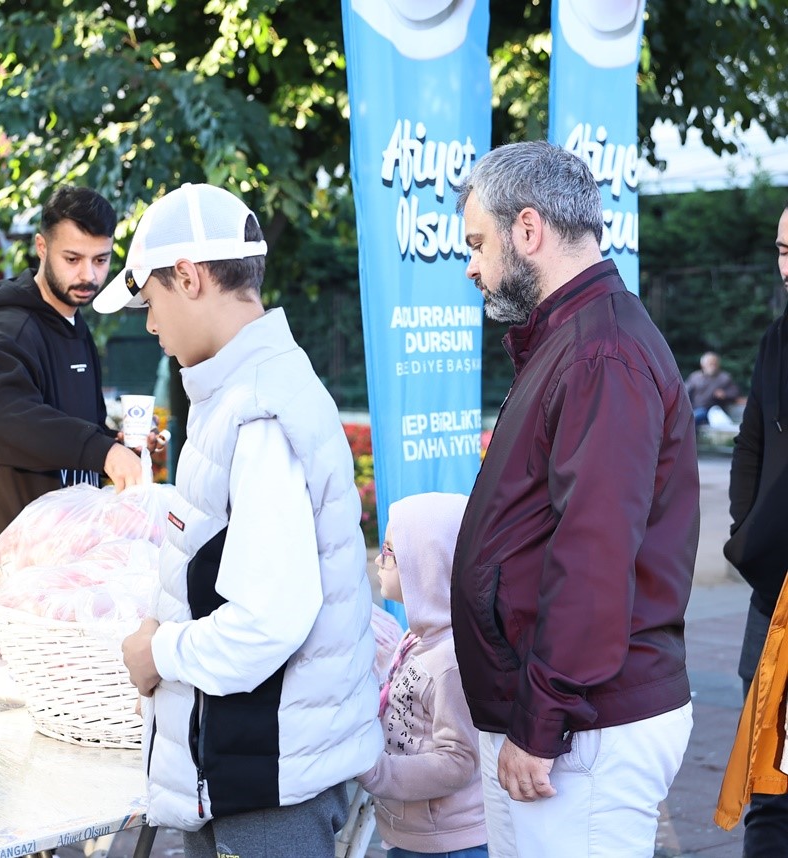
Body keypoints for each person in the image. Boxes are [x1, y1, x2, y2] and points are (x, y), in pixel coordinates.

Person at [102, 183, 382, 857]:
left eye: (150, 298)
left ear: (190, 278)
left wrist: (156, 651)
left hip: (268, 789)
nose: (149, 323)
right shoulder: (244, 392)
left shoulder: (255, 409)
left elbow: (269, 618)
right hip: (253, 773)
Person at [449, 141, 698, 856]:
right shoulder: (577, 341)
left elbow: (594, 553)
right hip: (569, 720)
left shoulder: (599, 351)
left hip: (584, 727)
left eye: (478, 243)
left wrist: (542, 722)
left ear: (528, 230)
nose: (472, 264)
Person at [0, 185, 147, 566]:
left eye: (101, 260)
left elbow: (74, 425)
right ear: (42, 247)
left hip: (65, 544)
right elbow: (13, 421)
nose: (88, 274)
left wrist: (116, 443)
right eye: (73, 258)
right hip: (9, 552)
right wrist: (102, 450)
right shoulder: (7, 327)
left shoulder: (75, 323)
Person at [358, 493, 487, 858]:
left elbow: (459, 760)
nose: (379, 562)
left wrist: (378, 773)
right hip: (414, 836)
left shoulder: (452, 660)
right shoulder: (418, 638)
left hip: (449, 845)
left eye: (390, 552)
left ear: (429, 562)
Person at [716, 201, 788, 854]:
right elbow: (750, 447)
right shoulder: (776, 339)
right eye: (783, 250)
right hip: (774, 602)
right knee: (769, 793)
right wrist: (750, 535)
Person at [684, 351, 740, 426]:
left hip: (712, 411)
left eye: (715, 364)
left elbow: (735, 393)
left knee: (693, 418)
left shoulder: (724, 378)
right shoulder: (695, 377)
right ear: (703, 365)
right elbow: (685, 393)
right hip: (693, 409)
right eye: (710, 364)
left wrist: (725, 394)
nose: (713, 366)